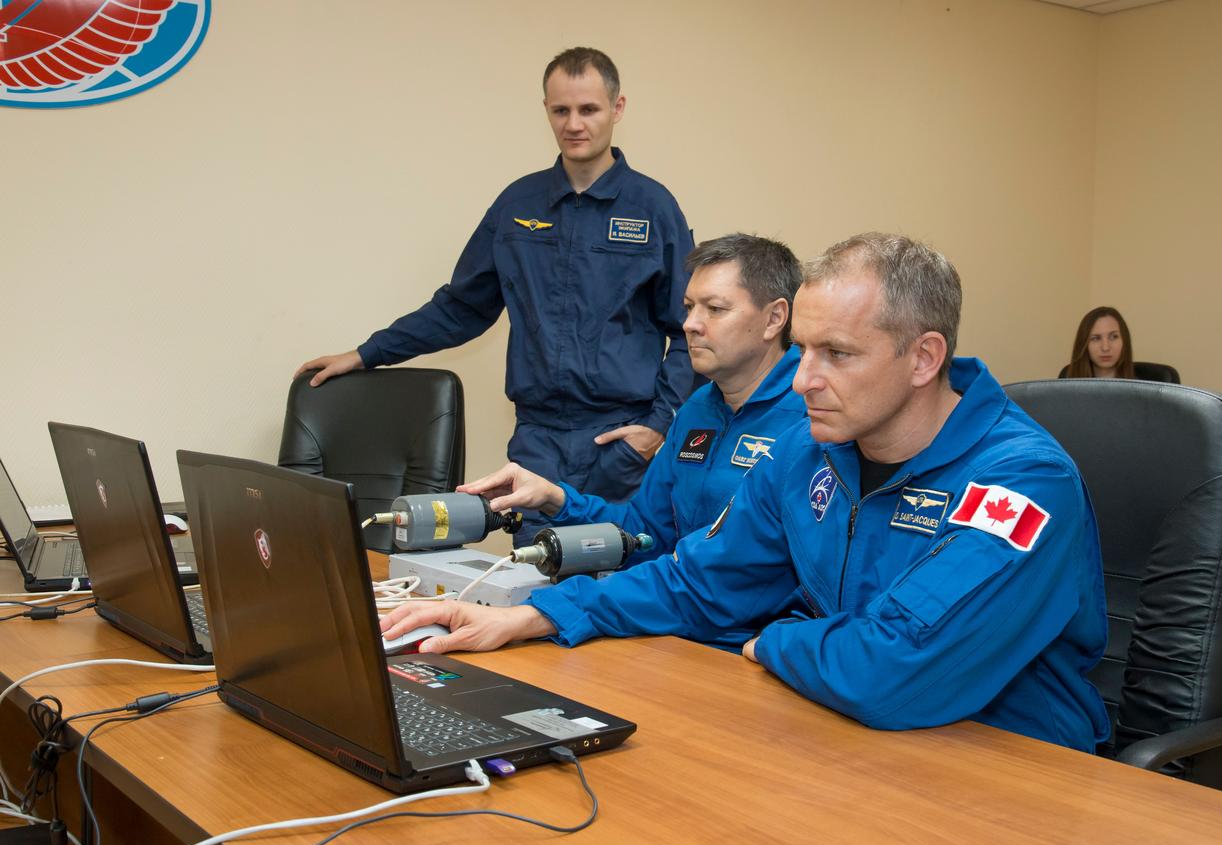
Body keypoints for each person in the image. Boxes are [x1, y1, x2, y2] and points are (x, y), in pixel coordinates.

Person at [382, 232, 1111, 752]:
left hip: (1007, 762)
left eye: (838, 355)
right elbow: (697, 582)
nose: (801, 380)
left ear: (924, 358)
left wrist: (773, 642)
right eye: (804, 349)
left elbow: (893, 670)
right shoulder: (812, 449)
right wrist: (531, 615)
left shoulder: (1021, 483)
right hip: (850, 734)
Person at [295, 48, 697, 544]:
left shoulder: (654, 208)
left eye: (589, 109)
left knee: (621, 587)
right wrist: (366, 354)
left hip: (619, 442)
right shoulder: (518, 205)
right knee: (534, 584)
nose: (574, 124)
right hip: (538, 440)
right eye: (560, 110)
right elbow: (461, 308)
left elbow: (690, 330)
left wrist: (658, 426)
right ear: (546, 110)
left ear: (617, 108)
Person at [458, 233, 806, 574]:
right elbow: (645, 532)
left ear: (774, 319)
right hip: (687, 612)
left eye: (714, 309)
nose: (690, 324)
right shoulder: (697, 409)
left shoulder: (813, 413)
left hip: (754, 627)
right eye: (688, 308)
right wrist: (554, 498)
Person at [1065, 306, 1135, 378]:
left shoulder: (1143, 384)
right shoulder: (1065, 381)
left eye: (1113, 337)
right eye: (1095, 338)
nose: (1105, 348)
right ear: (1083, 344)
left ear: (1125, 340)